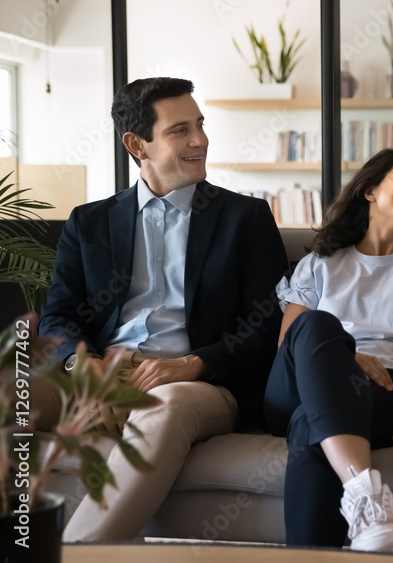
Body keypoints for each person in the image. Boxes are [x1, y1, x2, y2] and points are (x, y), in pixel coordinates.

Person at [38, 77, 289, 541]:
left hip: (197, 380)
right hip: (102, 370)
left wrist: (194, 363)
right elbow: (57, 319)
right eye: (180, 130)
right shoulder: (88, 222)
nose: (200, 140)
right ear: (137, 144)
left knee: (165, 403)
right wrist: (83, 367)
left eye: (200, 125)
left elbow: (268, 324)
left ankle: (79, 553)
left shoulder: (245, 219)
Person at [262, 147, 393, 553]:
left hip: (388, 389)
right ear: (370, 191)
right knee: (317, 323)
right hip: (301, 381)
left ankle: (366, 506)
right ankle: (365, 493)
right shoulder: (319, 263)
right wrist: (345, 356)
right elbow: (288, 342)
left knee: (312, 425)